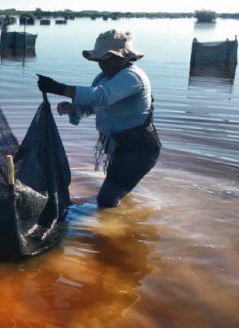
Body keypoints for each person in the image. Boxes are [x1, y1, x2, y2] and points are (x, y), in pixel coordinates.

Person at [37, 29, 161, 208]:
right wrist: (74, 108)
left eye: (106, 58)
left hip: (139, 150)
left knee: (106, 200)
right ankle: (129, 208)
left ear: (123, 56)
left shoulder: (132, 77)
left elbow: (102, 96)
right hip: (119, 148)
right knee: (115, 190)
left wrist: (58, 88)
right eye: (99, 59)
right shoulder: (103, 77)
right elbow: (96, 105)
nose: (101, 63)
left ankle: (114, 231)